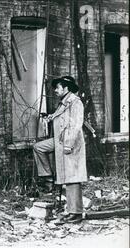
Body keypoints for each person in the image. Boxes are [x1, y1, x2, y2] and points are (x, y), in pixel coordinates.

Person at [33, 76, 87, 224]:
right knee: (38, 147)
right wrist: (52, 117)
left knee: (72, 178)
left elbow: (76, 125)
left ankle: (75, 213)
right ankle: (48, 176)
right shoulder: (64, 103)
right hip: (59, 141)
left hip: (70, 143)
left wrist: (69, 144)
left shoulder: (75, 102)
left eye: (58, 88)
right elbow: (62, 118)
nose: (56, 91)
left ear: (66, 88)